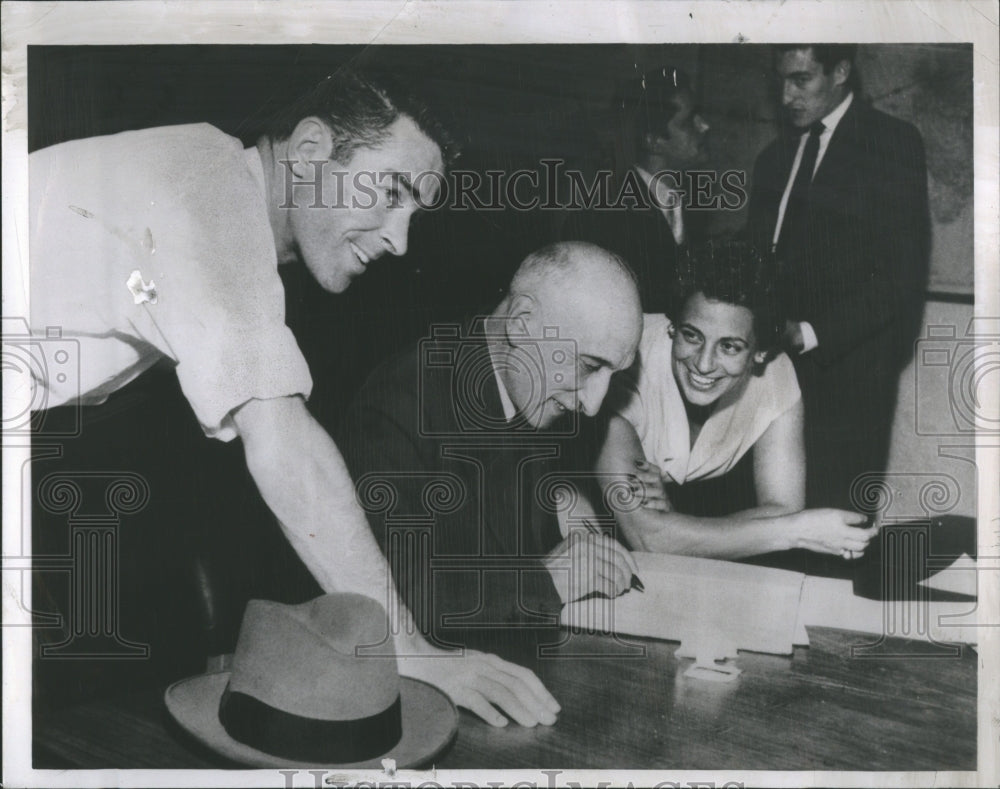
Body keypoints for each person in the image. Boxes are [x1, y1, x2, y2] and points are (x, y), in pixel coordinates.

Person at [27, 68, 560, 728]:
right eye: (391, 192)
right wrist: (407, 648)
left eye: (415, 212)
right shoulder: (208, 195)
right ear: (309, 150)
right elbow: (284, 442)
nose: (400, 239)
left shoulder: (211, 187)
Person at [340, 242, 643, 656]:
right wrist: (548, 580)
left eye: (613, 373)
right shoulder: (399, 406)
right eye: (589, 366)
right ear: (521, 323)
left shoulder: (527, 389)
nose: (591, 404)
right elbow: (390, 599)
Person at [594, 240, 878, 561]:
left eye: (729, 347)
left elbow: (783, 508)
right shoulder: (624, 368)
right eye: (691, 335)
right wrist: (798, 531)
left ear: (761, 352)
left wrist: (680, 526)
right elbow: (648, 535)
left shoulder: (775, 376)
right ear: (674, 325)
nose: (703, 364)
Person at [746, 45, 930, 512]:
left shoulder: (890, 143)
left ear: (841, 71)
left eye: (801, 80)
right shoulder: (772, 158)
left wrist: (808, 334)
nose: (787, 96)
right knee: (765, 526)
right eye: (780, 81)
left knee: (832, 533)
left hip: (847, 381)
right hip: (767, 378)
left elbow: (898, 277)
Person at [558, 67, 711, 312]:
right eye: (689, 121)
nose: (705, 126)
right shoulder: (602, 220)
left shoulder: (699, 205)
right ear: (653, 141)